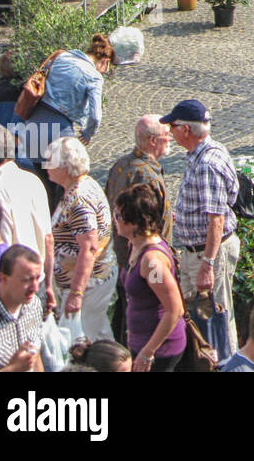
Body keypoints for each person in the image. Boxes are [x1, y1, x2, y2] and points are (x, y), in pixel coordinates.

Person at [163, 99, 241, 363]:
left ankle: (226, 366)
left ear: (185, 130)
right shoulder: (209, 152)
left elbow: (215, 219)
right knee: (196, 320)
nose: (170, 132)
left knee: (216, 320)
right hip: (196, 252)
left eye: (173, 126)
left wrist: (208, 264)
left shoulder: (207, 163)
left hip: (207, 255)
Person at [103, 114, 172, 341]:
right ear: (152, 141)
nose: (170, 139)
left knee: (126, 314)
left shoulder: (120, 164)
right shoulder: (147, 175)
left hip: (123, 257)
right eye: (165, 136)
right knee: (143, 316)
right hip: (144, 259)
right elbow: (155, 222)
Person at [42, 136, 116, 341]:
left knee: (84, 340)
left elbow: (89, 248)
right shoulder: (80, 186)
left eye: (51, 160)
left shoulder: (79, 198)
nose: (46, 165)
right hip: (92, 279)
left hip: (89, 284)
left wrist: (76, 293)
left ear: (66, 167)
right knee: (97, 333)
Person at [114, 182, 186, 371]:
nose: (115, 221)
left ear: (135, 223)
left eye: (119, 216)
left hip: (160, 350)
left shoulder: (152, 261)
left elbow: (175, 309)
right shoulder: (135, 245)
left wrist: (148, 351)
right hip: (143, 341)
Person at [0, 124, 52, 261]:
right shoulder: (33, 181)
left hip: (6, 277)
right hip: (37, 277)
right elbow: (48, 239)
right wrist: (49, 281)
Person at [34, 32, 114, 148]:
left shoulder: (62, 56)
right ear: (105, 61)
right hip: (59, 129)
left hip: (34, 122)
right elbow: (95, 116)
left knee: (33, 165)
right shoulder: (94, 77)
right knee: (69, 164)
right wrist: (88, 133)